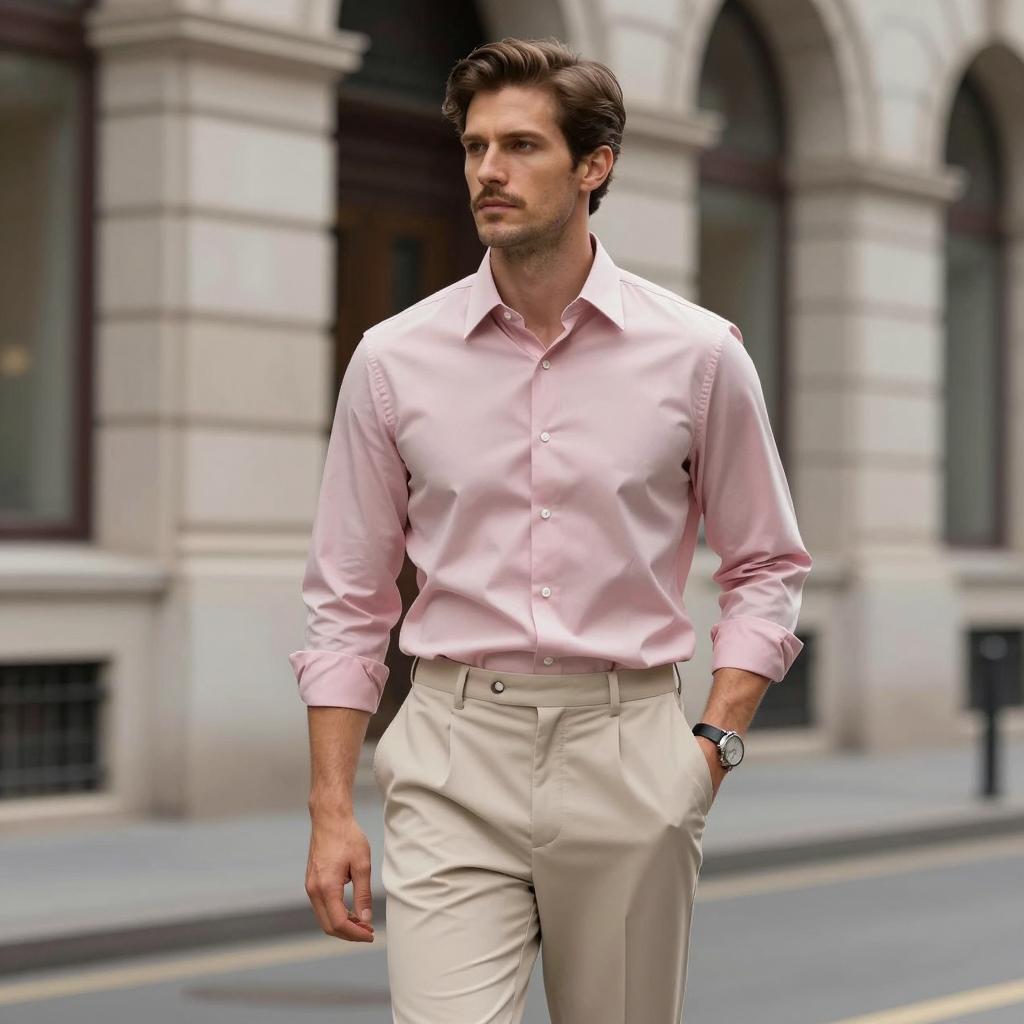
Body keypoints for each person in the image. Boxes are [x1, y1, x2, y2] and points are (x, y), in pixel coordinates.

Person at [289, 35, 812, 1023]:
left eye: (521, 145)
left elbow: (767, 563)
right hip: (449, 753)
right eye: (476, 146)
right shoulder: (393, 359)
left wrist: (709, 749)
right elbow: (346, 600)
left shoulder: (699, 355)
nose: (488, 169)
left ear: (593, 166)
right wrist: (329, 808)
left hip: (628, 753)